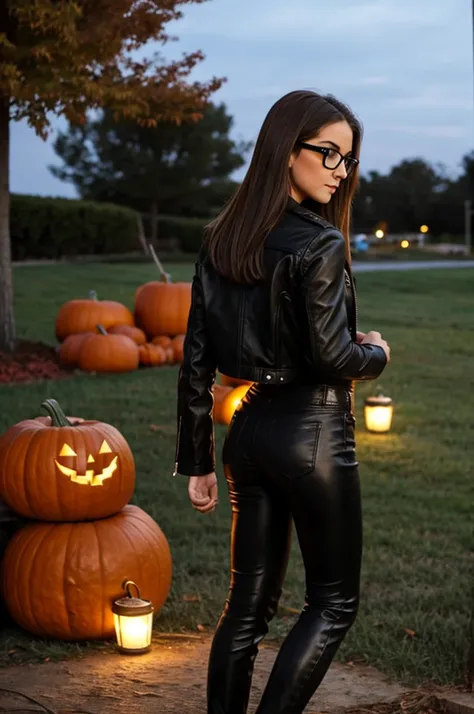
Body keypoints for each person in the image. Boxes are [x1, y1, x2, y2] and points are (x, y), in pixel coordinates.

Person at [173, 90, 390, 714]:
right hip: (313, 435)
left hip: (248, 436)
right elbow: (332, 358)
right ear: (284, 149)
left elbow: (196, 364)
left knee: (245, 609)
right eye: (327, 153)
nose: (338, 170)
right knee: (333, 603)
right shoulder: (318, 243)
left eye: (346, 159)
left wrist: (198, 461)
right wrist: (374, 352)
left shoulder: (221, 238)